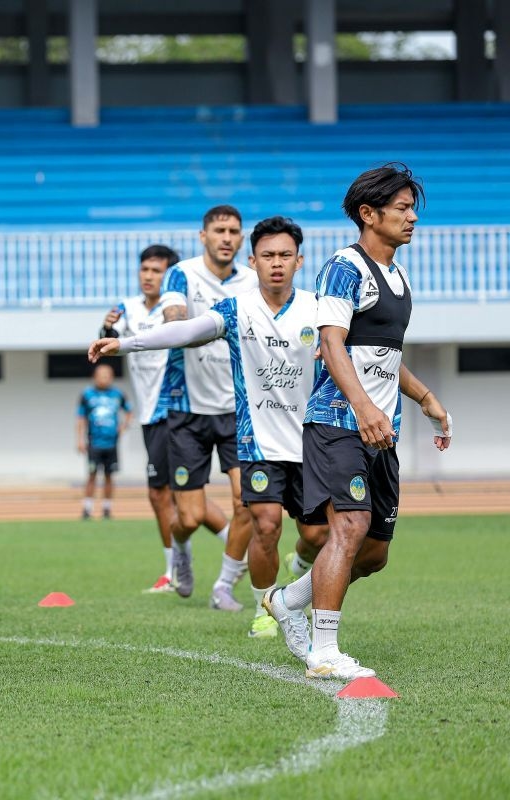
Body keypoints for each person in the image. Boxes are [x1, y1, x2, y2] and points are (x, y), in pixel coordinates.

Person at [91, 217, 328, 642]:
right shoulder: (226, 299)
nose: (276, 263)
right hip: (213, 419)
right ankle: (262, 606)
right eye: (269, 256)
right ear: (255, 261)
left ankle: (269, 579)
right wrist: (125, 342)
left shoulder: (317, 309)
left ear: (299, 260)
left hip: (298, 436)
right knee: (245, 520)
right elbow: (182, 324)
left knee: (315, 535)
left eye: (285, 255)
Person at [263, 164, 452, 680]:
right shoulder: (345, 268)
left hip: (379, 429)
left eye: (413, 208)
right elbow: (332, 343)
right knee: (349, 525)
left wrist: (425, 398)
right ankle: (324, 651)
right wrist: (365, 408)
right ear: (369, 215)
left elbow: (385, 357)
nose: (412, 218)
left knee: (372, 554)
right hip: (338, 423)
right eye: (402, 209)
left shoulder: (397, 274)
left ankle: (287, 600)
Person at [100, 244, 232, 593]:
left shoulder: (178, 309)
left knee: (179, 494)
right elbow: (108, 347)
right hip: (148, 413)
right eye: (144, 269)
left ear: (170, 276)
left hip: (172, 408)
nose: (148, 276)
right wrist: (106, 329)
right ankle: (195, 560)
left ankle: (213, 556)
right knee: (165, 495)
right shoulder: (126, 307)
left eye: (157, 271)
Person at [154, 206, 258, 610]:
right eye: (219, 230)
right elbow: (175, 322)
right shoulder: (182, 273)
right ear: (203, 236)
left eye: (234, 231)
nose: (227, 237)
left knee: (245, 502)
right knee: (191, 515)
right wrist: (199, 327)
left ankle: (224, 587)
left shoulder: (252, 281)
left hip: (238, 410)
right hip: (187, 409)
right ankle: (180, 547)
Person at [76, 363, 131, 520]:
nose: (105, 378)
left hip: (112, 443)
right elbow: (80, 418)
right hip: (94, 443)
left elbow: (129, 412)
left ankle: (107, 509)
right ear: (95, 376)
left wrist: (123, 426)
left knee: (109, 476)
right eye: (102, 375)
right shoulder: (87, 394)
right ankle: (87, 508)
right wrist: (79, 439)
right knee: (91, 475)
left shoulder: (117, 394)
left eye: (108, 375)